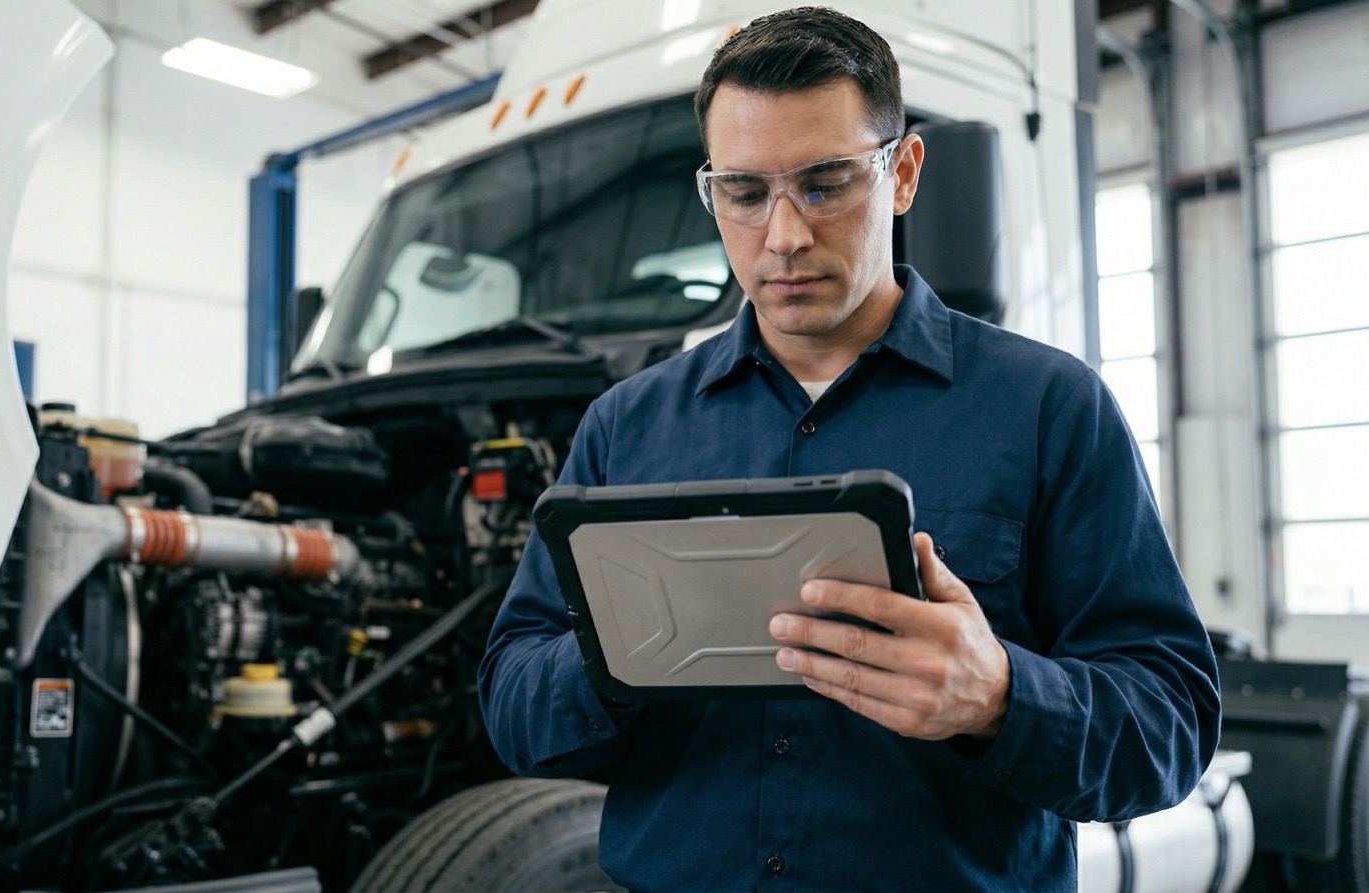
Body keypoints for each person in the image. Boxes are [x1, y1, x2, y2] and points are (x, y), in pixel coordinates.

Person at [477, 6, 1221, 891]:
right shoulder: (626, 428)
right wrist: (619, 654)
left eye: (826, 183)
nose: (784, 234)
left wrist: (999, 696)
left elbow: (1169, 725)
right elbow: (513, 702)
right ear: (712, 191)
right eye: (746, 193)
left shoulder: (1049, 409)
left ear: (903, 172)